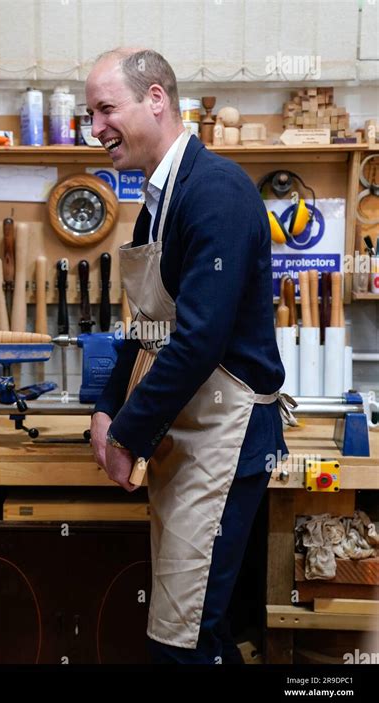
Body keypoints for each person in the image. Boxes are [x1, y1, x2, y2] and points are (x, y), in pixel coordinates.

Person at [86, 48, 296, 664]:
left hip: (225, 443)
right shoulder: (159, 201)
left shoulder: (216, 193)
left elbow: (199, 338)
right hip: (192, 439)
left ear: (156, 99)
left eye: (106, 109)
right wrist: (106, 406)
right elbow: (149, 325)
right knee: (196, 631)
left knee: (183, 639)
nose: (94, 127)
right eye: (89, 113)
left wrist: (128, 433)